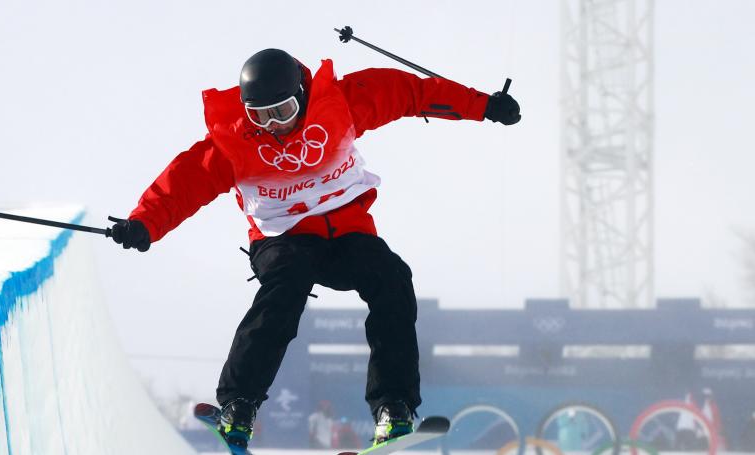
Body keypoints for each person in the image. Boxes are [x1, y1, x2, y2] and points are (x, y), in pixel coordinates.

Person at [108, 48, 521, 450]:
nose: (273, 126)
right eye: (260, 116)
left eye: (283, 112)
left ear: (302, 97)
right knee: (286, 285)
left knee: (392, 278)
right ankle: (239, 404)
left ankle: (392, 406)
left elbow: (410, 92)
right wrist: (144, 223)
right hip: (281, 238)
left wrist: (484, 105)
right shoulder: (232, 142)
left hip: (347, 233)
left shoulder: (341, 105)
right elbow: (183, 182)